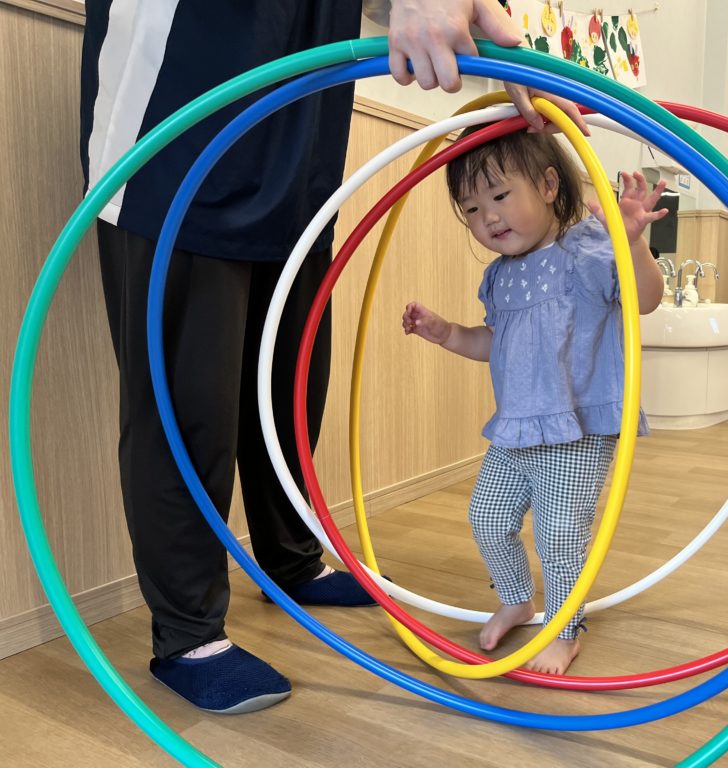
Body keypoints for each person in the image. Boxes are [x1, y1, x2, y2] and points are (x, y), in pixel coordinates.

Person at [80, 0, 585, 715]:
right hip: (183, 116)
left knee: (292, 384)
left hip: (300, 150)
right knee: (190, 401)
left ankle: (289, 559)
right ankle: (188, 633)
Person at [402, 127, 666, 675]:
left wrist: (633, 243)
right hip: (517, 426)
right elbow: (494, 343)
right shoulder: (499, 277)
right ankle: (518, 599)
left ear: (548, 186)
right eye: (472, 208)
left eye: (500, 195)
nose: (489, 217)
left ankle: (564, 629)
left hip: (575, 429)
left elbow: (644, 301)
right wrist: (447, 333)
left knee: (559, 535)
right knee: (486, 518)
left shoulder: (588, 250)